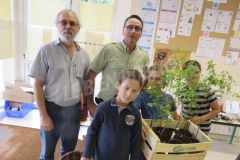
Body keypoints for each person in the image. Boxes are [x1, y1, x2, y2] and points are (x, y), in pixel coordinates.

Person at [28, 9, 90, 160]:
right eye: (64, 22)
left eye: (72, 23)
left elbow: (87, 83)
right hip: (52, 111)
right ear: (57, 25)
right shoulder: (45, 51)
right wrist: (43, 116)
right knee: (47, 153)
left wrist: (86, 106)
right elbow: (37, 84)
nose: (68, 26)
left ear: (78, 28)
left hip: (74, 112)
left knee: (69, 153)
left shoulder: (84, 55)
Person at [86, 14, 149, 117]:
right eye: (129, 27)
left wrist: (138, 97)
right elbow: (90, 75)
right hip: (105, 107)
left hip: (128, 110)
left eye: (137, 28)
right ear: (123, 30)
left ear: (141, 34)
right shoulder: (109, 49)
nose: (133, 31)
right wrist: (89, 103)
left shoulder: (144, 56)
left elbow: (146, 79)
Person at [81, 69, 143, 160]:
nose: (129, 94)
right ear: (118, 85)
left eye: (134, 91)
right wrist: (86, 156)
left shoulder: (136, 114)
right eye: (126, 88)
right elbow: (92, 131)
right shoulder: (103, 108)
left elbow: (136, 142)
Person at [180, 60, 220, 133]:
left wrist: (200, 119)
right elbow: (183, 108)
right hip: (186, 127)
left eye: (197, 72)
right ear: (184, 74)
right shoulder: (182, 91)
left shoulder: (207, 91)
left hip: (202, 129)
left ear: (200, 73)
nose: (193, 75)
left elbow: (217, 110)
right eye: (190, 72)